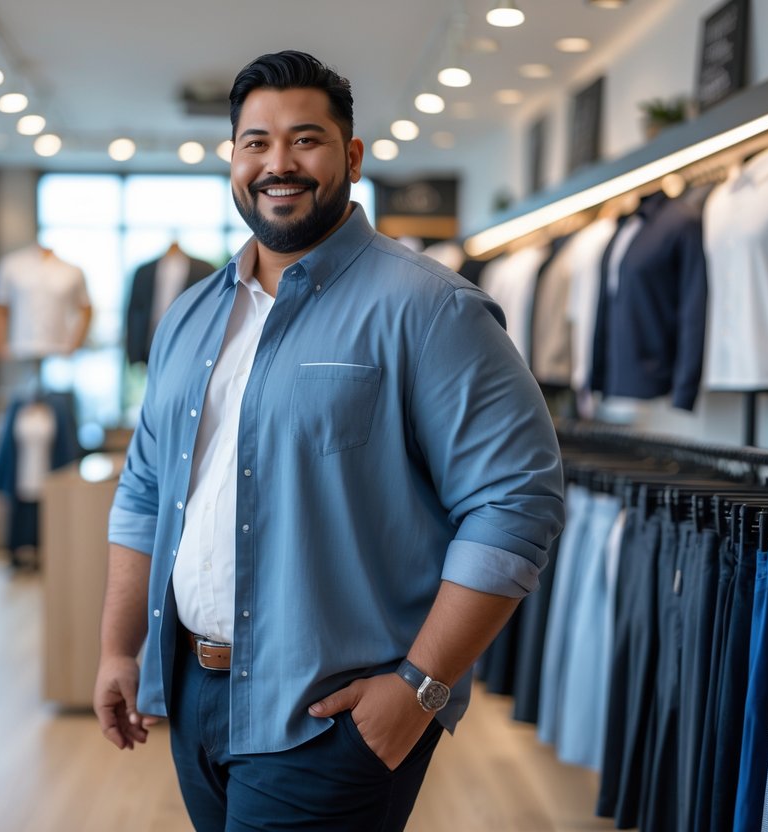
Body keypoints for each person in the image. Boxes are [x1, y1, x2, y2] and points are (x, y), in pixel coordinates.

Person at [94, 50, 565, 831]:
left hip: (329, 714)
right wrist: (119, 650)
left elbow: (515, 503)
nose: (278, 163)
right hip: (193, 693)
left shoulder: (431, 309)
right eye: (255, 143)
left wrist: (420, 685)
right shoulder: (189, 316)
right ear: (233, 159)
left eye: (304, 140)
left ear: (349, 155)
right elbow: (144, 490)